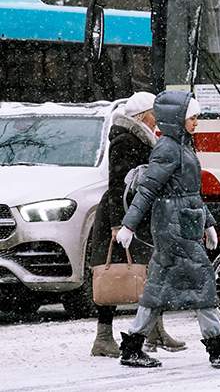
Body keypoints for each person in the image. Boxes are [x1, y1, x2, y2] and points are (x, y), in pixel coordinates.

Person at [115, 91, 220, 369]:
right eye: (193, 117)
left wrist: (208, 222)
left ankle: (132, 346)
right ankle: (218, 350)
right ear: (178, 118)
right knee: (202, 281)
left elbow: (189, 192)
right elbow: (148, 188)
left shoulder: (180, 145)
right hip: (173, 226)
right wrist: (128, 224)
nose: (197, 122)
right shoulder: (168, 148)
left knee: (158, 285)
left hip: (180, 223)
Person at [89, 92, 186, 357]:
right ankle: (103, 337)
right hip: (123, 215)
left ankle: (155, 330)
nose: (159, 118)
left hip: (138, 214)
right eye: (155, 113)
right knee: (112, 275)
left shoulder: (143, 136)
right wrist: (118, 224)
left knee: (151, 274)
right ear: (143, 115)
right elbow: (117, 183)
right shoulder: (125, 139)